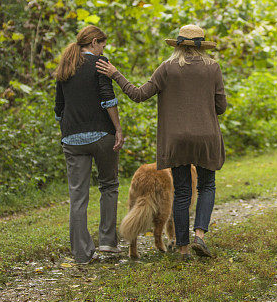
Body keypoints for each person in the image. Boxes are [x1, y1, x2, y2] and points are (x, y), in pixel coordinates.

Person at [96, 24, 227, 261]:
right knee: (206, 186)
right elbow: (221, 107)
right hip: (207, 137)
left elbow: (138, 95)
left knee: (182, 191)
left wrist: (115, 73)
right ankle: (199, 235)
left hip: (176, 140)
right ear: (202, 47)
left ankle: (184, 248)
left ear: (177, 45)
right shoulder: (213, 68)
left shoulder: (166, 69)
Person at [54, 25, 125, 264]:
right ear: (94, 42)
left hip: (72, 139)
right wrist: (117, 129)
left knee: (78, 196)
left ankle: (81, 254)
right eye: (102, 43)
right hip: (101, 135)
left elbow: (59, 108)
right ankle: (107, 241)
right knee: (109, 185)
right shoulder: (99, 63)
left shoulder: (66, 66)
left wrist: (67, 131)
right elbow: (108, 99)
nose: (104, 48)